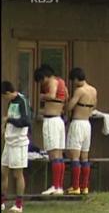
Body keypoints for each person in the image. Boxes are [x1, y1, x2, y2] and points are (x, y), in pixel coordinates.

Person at [34, 65, 68, 195]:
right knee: (59, 154)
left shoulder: (53, 82)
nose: (42, 83)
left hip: (51, 120)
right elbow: (65, 96)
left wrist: (43, 96)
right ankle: (59, 186)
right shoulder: (62, 82)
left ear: (45, 76)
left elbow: (52, 95)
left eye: (41, 80)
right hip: (58, 119)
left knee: (53, 155)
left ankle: (55, 185)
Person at [66, 68, 97, 195]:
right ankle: (85, 186)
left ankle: (75, 186)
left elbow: (69, 106)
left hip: (78, 123)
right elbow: (95, 105)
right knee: (85, 157)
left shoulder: (79, 91)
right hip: (87, 123)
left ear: (76, 79)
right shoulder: (93, 90)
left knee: (75, 156)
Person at [1, 81, 31, 213]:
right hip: (9, 141)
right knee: (3, 172)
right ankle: (2, 201)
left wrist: (9, 120)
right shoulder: (11, 102)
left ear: (7, 93)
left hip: (19, 143)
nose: (3, 99)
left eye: (3, 96)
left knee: (18, 174)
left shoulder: (22, 101)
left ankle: (19, 204)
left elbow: (25, 122)